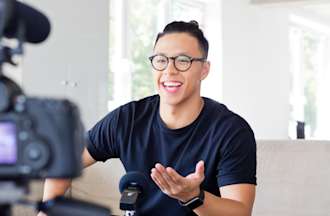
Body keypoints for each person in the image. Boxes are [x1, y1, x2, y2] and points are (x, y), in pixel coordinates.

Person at [40, 20, 257, 216]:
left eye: (183, 61)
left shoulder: (231, 131)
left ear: (204, 70)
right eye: (161, 60)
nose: (169, 71)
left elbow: (240, 212)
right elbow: (64, 161)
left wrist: (193, 196)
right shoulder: (127, 119)